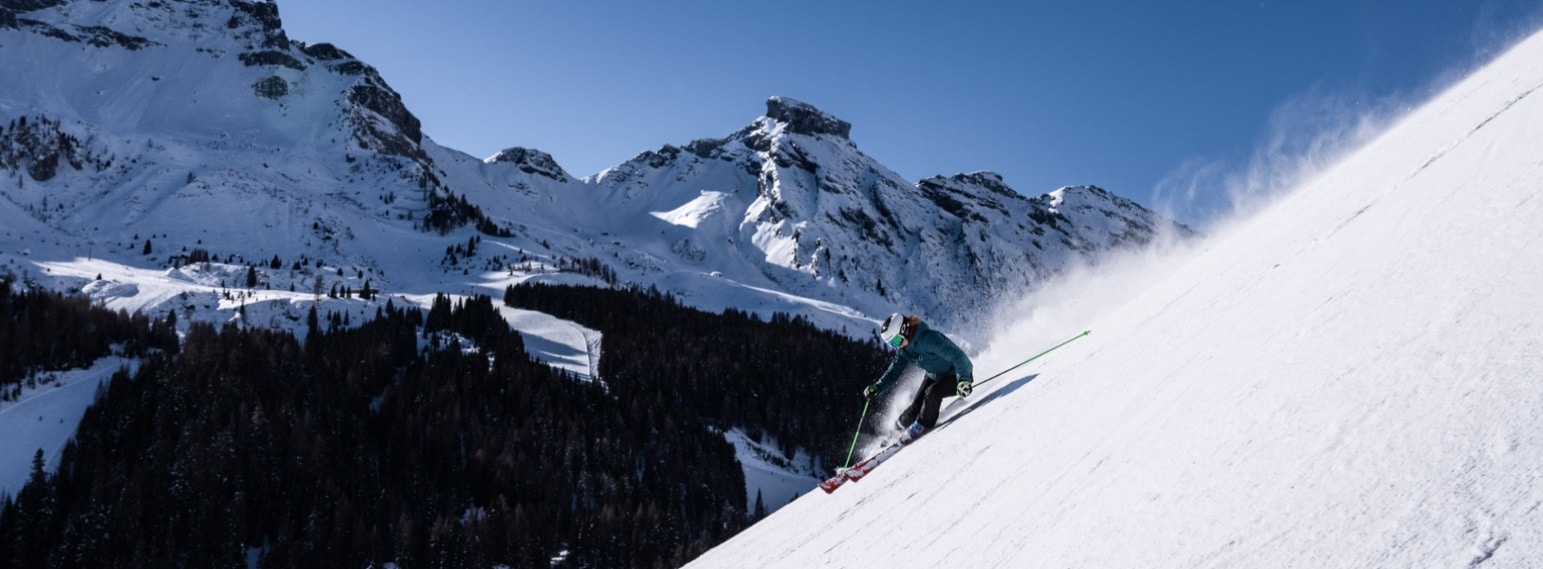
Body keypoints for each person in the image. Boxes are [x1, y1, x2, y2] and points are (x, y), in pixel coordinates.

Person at [863, 313, 974, 444]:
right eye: (892, 344)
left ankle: (922, 425)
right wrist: (877, 388)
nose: (897, 345)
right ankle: (895, 431)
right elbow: (893, 372)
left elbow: (959, 357)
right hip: (934, 375)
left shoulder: (929, 339)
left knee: (932, 393)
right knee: (914, 408)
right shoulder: (904, 351)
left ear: (904, 330)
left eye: (897, 341)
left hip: (957, 375)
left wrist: (964, 380)